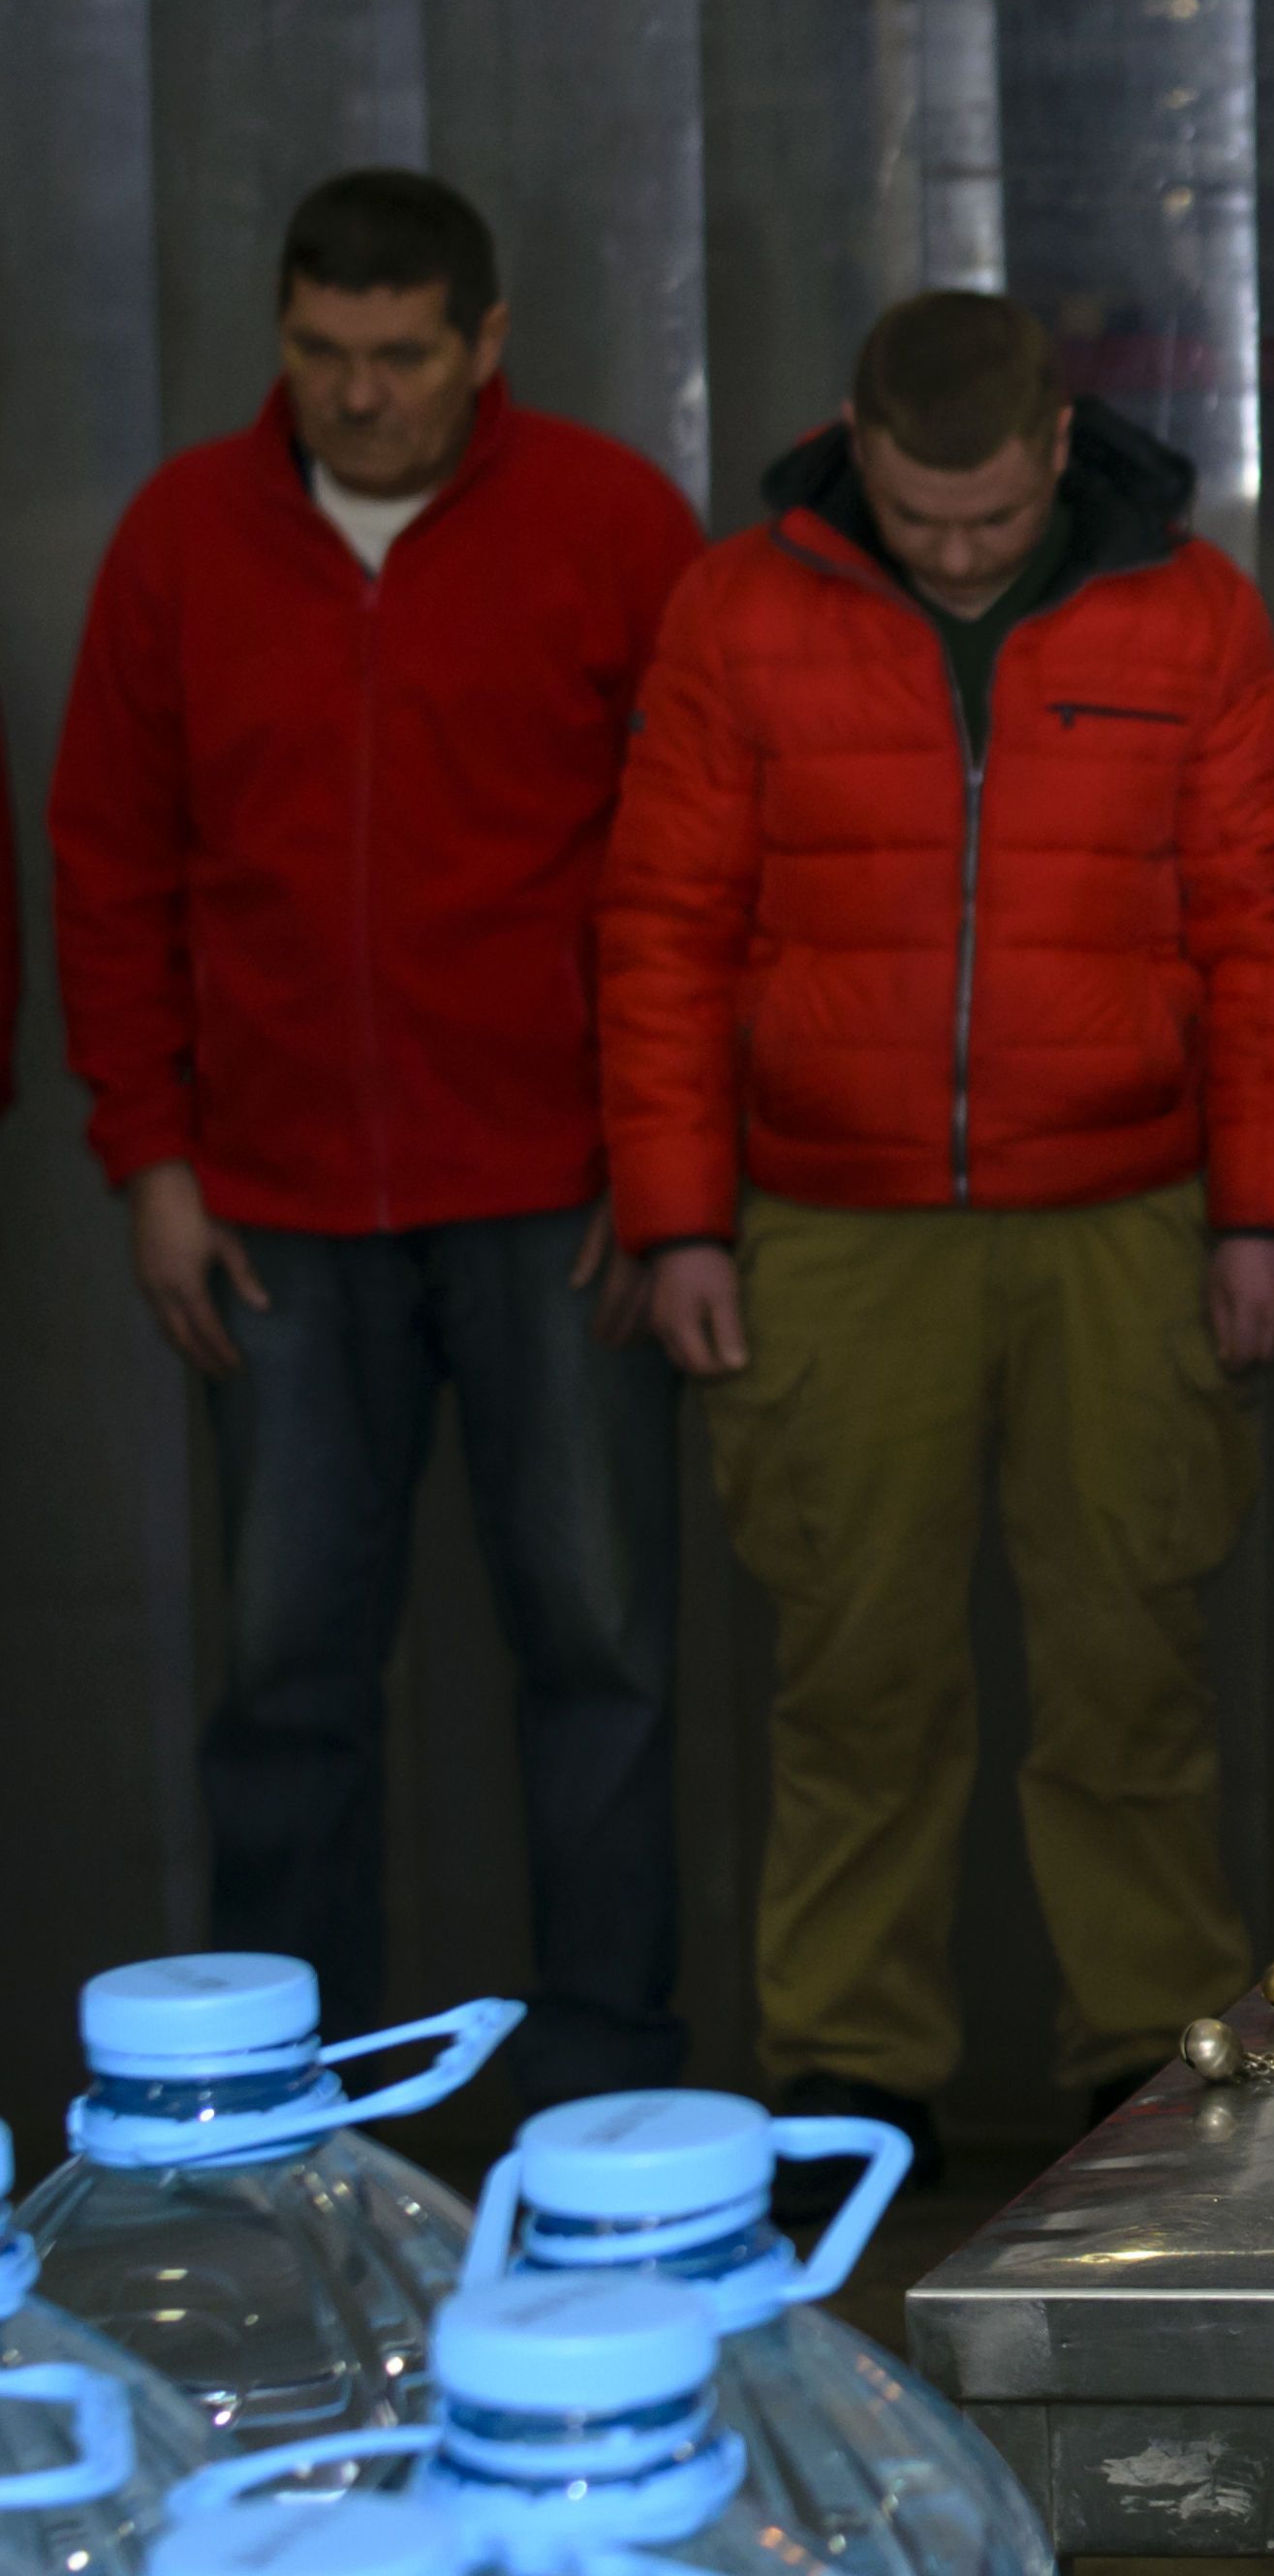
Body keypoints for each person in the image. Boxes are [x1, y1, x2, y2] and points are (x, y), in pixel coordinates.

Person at [599, 290, 1274, 2157]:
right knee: (853, 1672)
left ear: (1059, 450)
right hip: (830, 1227)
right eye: (917, 519)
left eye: (991, 522)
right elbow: (664, 927)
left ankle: (1147, 2071)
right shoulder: (736, 607)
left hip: (1126, 1216)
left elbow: (1260, 936)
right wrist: (679, 1219)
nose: (951, 552)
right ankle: (844, 2077)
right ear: (851, 443)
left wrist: (1268, 1212)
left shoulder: (1192, 613)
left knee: (1129, 1662)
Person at [51, 168, 707, 2103]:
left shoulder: (608, 526)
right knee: (284, 1693)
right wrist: (150, 1162)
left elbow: (687, 868)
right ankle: (273, 2114)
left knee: (602, 1668)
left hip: (556, 1201)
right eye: (320, 355)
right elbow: (111, 870)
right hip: (269, 1212)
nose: (357, 395)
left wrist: (654, 1166)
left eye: (400, 356)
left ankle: (607, 2102)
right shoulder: (182, 539)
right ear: (281, 338)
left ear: (484, 345)